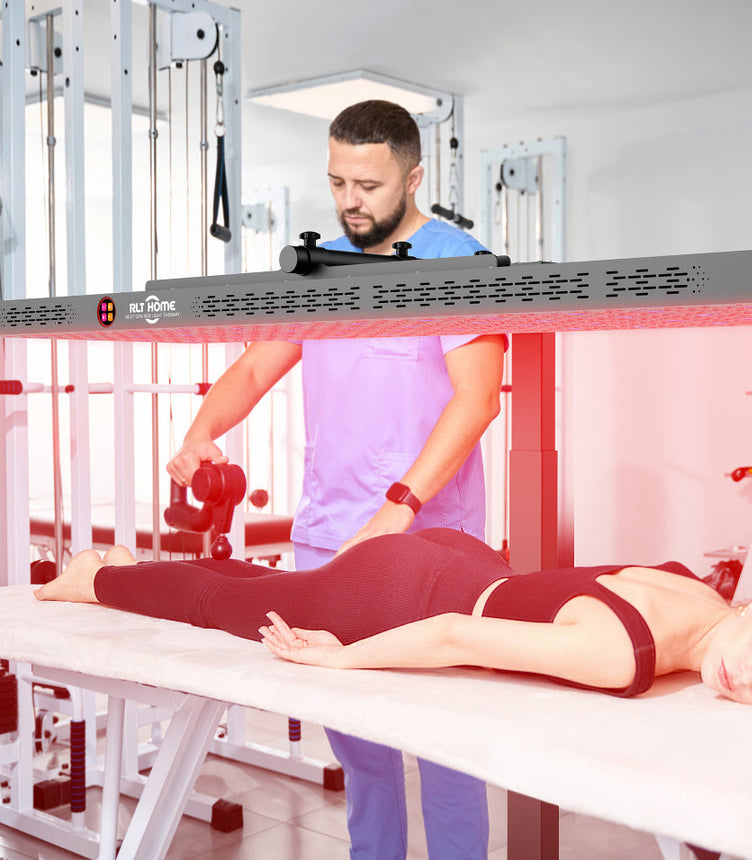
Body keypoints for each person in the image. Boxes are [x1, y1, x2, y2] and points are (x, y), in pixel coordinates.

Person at [165, 100, 506, 859]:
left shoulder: (459, 263)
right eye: (337, 182)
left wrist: (399, 507)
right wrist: (200, 432)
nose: (351, 202)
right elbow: (258, 364)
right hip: (327, 538)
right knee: (362, 749)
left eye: (370, 186)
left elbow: (478, 397)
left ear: (413, 178)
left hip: (431, 541)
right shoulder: (318, 266)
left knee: (447, 746)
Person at [38, 529, 752, 706]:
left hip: (464, 557)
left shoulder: (700, 590)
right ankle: (91, 581)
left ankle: (130, 566)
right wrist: (344, 660)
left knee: (282, 584)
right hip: (410, 595)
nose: (746, 676)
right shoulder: (622, 654)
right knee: (236, 610)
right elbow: (452, 639)